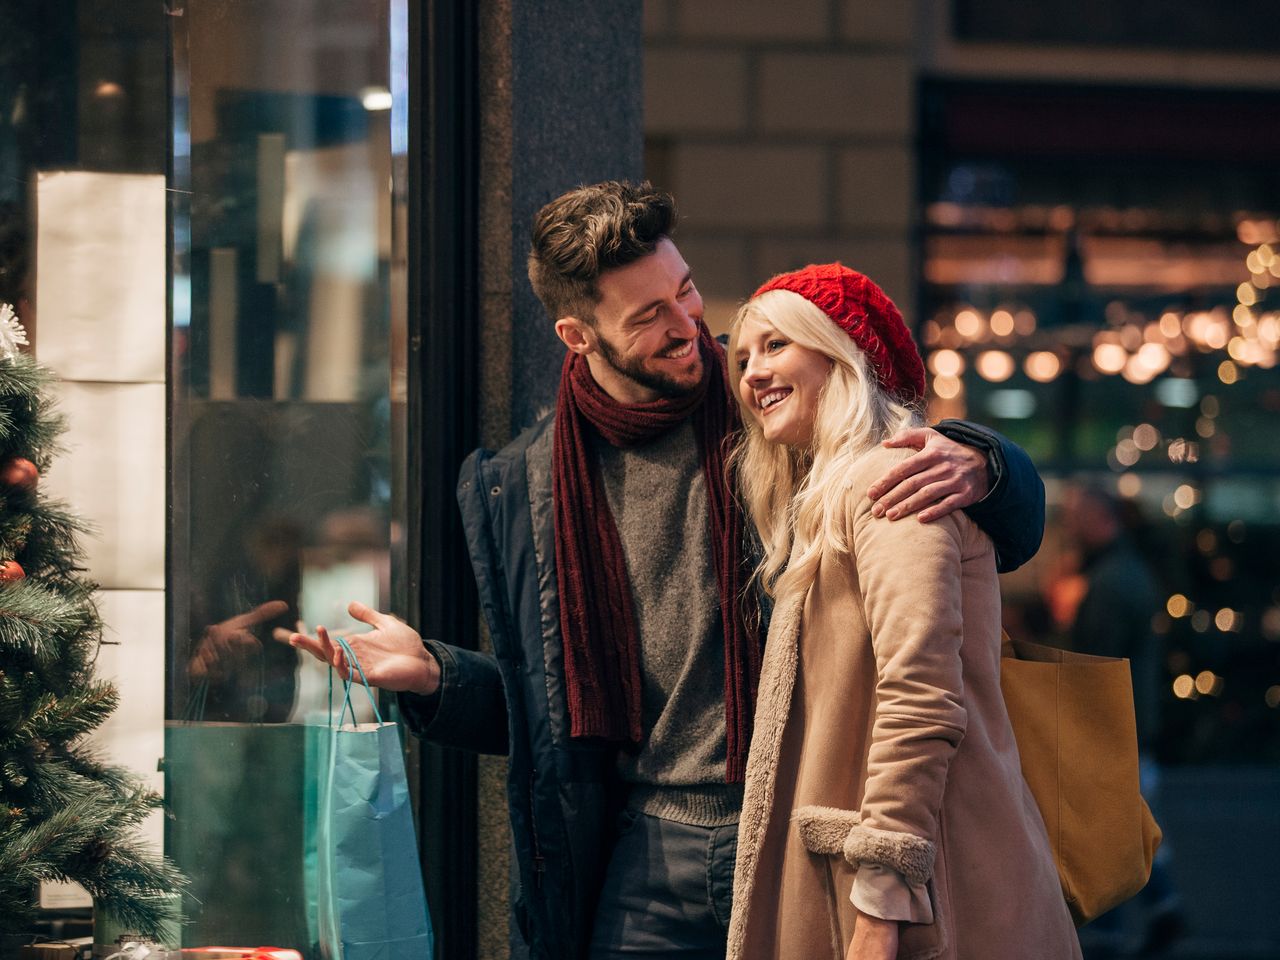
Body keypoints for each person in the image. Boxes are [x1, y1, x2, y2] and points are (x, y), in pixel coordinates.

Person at [287, 182, 1047, 960]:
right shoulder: (524, 483)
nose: (688, 327)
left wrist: (987, 463)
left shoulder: (774, 407)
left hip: (793, 823)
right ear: (578, 335)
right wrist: (436, 679)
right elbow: (554, 714)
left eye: (685, 294)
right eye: (648, 317)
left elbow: (947, 533)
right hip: (646, 851)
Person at [724, 264, 1078, 960]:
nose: (751, 374)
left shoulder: (890, 479)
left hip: (922, 895)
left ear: (838, 351)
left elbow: (919, 692)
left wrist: (882, 904)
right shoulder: (835, 491)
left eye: (775, 346)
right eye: (741, 358)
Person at [1060, 484, 1183, 958]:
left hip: (1111, 725)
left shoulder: (1109, 582)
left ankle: (1110, 933)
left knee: (1107, 833)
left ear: (1098, 517)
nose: (1069, 526)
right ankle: (1164, 910)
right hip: (1127, 722)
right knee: (1123, 825)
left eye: (1074, 515)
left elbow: (1092, 662)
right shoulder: (1124, 572)